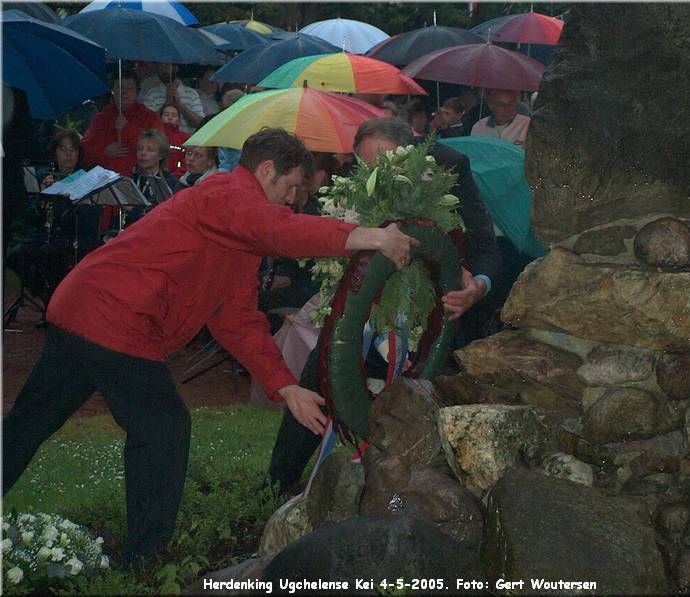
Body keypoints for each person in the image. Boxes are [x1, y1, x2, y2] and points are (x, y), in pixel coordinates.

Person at [2, 128, 417, 565]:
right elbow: (278, 230)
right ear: (267, 170)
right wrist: (369, 236)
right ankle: (144, 563)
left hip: (86, 308)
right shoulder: (226, 192)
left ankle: (141, 557)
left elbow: (236, 319)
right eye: (292, 186)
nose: (294, 199)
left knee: (30, 423)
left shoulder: (238, 229)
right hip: (114, 317)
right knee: (164, 426)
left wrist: (286, 386)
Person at [267, 117, 501, 494]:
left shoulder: (450, 165)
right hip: (358, 309)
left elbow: (486, 250)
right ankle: (279, 483)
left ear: (411, 153)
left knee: (430, 400)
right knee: (324, 371)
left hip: (430, 316)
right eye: (366, 165)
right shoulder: (352, 178)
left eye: (386, 164)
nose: (376, 174)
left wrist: (476, 286)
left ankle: (416, 489)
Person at [82, 68, 164, 176]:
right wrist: (104, 152)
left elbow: (159, 148)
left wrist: (128, 129)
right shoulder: (100, 119)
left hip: (138, 179)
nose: (124, 92)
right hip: (104, 181)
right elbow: (84, 152)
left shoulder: (150, 117)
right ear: (112, 91)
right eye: (120, 88)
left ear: (137, 92)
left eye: (130, 88)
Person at [141, 63, 204, 133]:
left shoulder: (192, 93)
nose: (163, 69)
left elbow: (200, 123)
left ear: (176, 67)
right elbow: (147, 123)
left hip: (186, 142)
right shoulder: (151, 93)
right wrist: (167, 103)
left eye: (167, 65)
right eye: (160, 65)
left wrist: (180, 104)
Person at [159, 103, 190, 177]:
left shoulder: (185, 138)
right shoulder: (155, 136)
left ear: (179, 120)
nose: (170, 117)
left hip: (177, 178)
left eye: (174, 115)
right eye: (166, 114)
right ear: (160, 118)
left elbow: (186, 160)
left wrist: (176, 176)